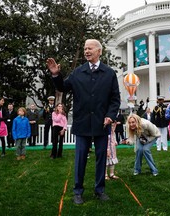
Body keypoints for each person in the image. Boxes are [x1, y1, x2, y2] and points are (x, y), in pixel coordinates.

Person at [46, 39, 120, 204]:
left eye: (90, 48)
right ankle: (78, 191)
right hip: (82, 123)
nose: (86, 51)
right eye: (85, 48)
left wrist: (110, 115)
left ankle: (99, 190)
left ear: (99, 51)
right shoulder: (78, 72)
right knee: (80, 159)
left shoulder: (109, 73)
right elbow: (63, 87)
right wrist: (56, 75)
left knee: (101, 158)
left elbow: (115, 99)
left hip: (103, 123)